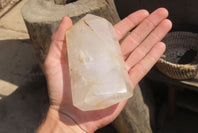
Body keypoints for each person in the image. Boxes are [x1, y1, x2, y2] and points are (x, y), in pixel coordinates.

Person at [37, 8, 172, 133]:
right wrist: (65, 120)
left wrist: (62, 124)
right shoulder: (84, 34)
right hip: (91, 97)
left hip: (93, 97)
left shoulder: (82, 33)